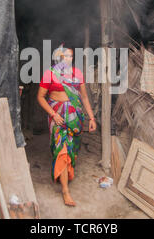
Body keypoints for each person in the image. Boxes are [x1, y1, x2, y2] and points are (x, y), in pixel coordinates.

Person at [37, 44, 96, 207]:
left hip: (75, 117)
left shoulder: (77, 74)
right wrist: (53, 114)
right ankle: (65, 191)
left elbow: (84, 98)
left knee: (72, 149)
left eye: (70, 56)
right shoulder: (50, 74)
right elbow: (40, 97)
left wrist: (91, 118)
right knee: (62, 149)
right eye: (64, 57)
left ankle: (65, 172)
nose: (68, 59)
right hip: (57, 117)